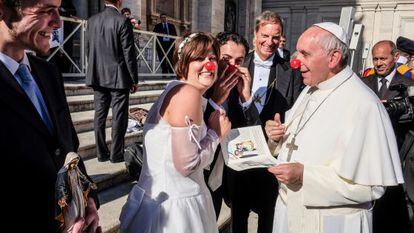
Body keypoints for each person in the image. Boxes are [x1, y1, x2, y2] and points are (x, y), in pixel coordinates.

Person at [265, 22, 404, 233]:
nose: (295, 61)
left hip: (333, 222)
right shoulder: (310, 90)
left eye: (305, 54)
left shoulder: (364, 105)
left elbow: (371, 187)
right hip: (289, 212)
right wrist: (276, 139)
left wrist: (304, 175)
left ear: (333, 58)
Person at [0, 0, 100, 232]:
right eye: (45, 10)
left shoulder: (48, 72)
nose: (57, 22)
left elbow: (68, 149)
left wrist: (88, 200)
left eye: (58, 9)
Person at [119, 32, 231, 233]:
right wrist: (215, 133)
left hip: (160, 200)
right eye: (199, 58)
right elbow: (187, 165)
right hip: (176, 210)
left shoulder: (175, 90)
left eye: (212, 58)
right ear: (183, 62)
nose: (209, 64)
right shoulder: (187, 94)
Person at [224, 11, 303, 233]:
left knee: (268, 217)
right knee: (238, 217)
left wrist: (281, 129)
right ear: (255, 33)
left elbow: (296, 112)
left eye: (276, 37)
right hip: (240, 153)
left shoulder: (291, 71)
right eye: (265, 35)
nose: (270, 42)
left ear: (281, 37)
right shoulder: (239, 63)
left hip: (272, 156)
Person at [362, 41, 414, 233]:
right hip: (368, 158)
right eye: (375, 59)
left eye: (383, 58)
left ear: (395, 57)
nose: (378, 63)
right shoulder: (363, 83)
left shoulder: (408, 85)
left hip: (397, 157)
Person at [203, 31, 251, 218]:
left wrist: (246, 99)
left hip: (225, 174)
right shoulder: (201, 83)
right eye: (226, 59)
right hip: (201, 172)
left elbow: (250, 131)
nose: (232, 66)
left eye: (238, 62)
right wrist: (214, 99)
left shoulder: (239, 87)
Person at [86, 0, 138, 163]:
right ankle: (116, 154)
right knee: (119, 117)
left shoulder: (92, 20)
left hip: (97, 74)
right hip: (118, 77)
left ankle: (101, 154)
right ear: (119, 1)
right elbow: (129, 53)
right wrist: (134, 79)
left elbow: (89, 49)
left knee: (99, 115)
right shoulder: (122, 20)